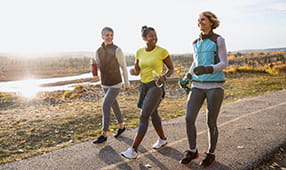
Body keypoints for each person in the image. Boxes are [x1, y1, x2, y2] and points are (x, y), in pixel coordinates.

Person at [179, 11, 228, 168]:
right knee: (188, 118)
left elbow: (224, 63)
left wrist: (208, 69)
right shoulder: (195, 42)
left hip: (215, 86)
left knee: (211, 122)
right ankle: (192, 150)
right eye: (198, 20)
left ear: (211, 22)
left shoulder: (218, 40)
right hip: (197, 86)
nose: (200, 22)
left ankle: (211, 153)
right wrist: (187, 76)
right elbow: (195, 63)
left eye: (203, 20)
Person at [121, 26, 174, 159]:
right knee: (153, 112)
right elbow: (137, 70)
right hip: (144, 86)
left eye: (155, 35)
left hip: (156, 86)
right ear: (144, 38)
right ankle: (162, 139)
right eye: (151, 36)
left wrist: (165, 76)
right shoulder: (139, 52)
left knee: (144, 115)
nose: (154, 38)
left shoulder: (162, 51)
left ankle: (133, 150)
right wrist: (133, 71)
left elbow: (171, 68)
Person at [92, 27, 130, 144]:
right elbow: (97, 65)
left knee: (105, 105)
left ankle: (104, 134)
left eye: (111, 35)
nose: (109, 37)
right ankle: (122, 126)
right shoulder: (98, 51)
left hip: (116, 83)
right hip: (104, 83)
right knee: (114, 105)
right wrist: (94, 70)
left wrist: (126, 83)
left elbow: (123, 67)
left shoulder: (117, 50)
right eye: (107, 35)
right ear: (102, 37)